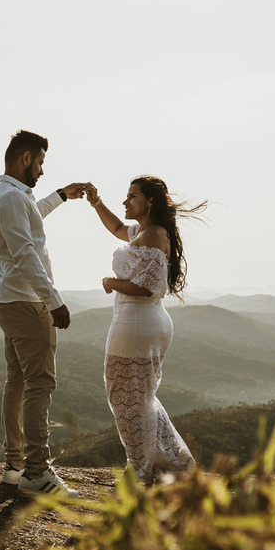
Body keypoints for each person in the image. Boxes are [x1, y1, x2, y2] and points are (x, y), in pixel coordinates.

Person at [0, 130, 94, 498]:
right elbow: (25, 252)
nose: (43, 171)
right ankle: (36, 472)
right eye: (42, 163)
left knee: (17, 381)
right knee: (40, 385)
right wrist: (53, 300)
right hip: (28, 303)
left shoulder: (8, 196)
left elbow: (32, 218)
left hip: (9, 299)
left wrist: (62, 195)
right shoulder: (13, 198)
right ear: (26, 158)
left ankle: (15, 465)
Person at [85, 175, 206, 486]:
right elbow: (115, 228)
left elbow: (147, 287)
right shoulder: (146, 231)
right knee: (140, 397)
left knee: (127, 399)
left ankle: (142, 472)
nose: (126, 202)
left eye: (132, 196)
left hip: (138, 324)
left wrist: (110, 283)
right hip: (143, 323)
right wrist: (97, 203)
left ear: (149, 201)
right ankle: (169, 464)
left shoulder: (153, 235)